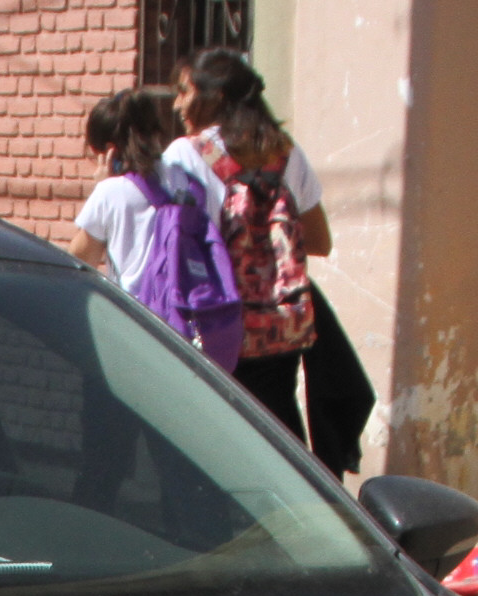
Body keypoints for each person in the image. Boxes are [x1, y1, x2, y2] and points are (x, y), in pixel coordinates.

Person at [168, 48, 377, 476]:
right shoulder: (286, 153)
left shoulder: (185, 156)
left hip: (216, 325)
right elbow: (319, 241)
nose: (177, 104)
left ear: (215, 95)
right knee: (277, 435)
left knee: (217, 448)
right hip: (281, 327)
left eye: (184, 91)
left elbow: (178, 249)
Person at [66, 87, 237, 365]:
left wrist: (100, 186)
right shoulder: (190, 183)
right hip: (189, 327)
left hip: (136, 331)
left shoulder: (110, 192)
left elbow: (80, 259)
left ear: (109, 151)